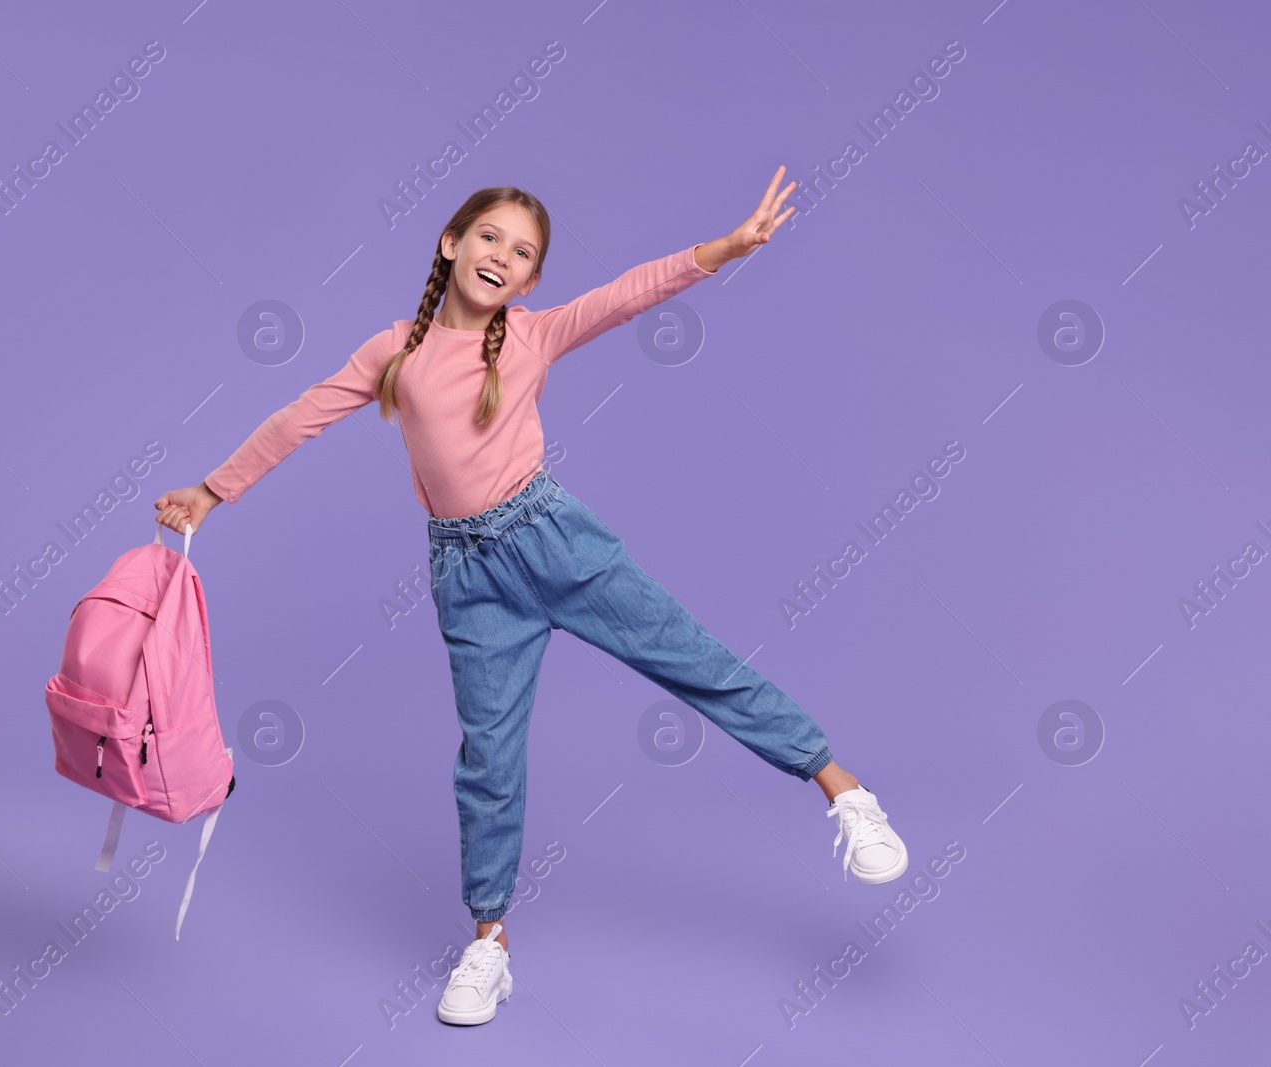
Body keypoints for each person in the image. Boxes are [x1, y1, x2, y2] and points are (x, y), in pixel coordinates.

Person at [154, 168, 907, 1027]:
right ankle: (489, 944)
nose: (502, 256)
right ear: (450, 242)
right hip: (466, 578)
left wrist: (723, 251)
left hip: (554, 542)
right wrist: (214, 490)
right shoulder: (392, 352)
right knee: (489, 759)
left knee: (693, 661)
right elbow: (300, 416)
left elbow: (628, 294)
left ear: (530, 281)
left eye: (522, 253)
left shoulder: (534, 335)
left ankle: (844, 791)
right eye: (489, 238)